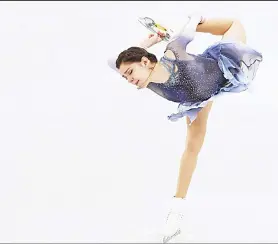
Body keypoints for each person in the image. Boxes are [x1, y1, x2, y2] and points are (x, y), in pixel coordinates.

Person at [107, 13, 263, 243]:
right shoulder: (145, 82)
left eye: (130, 73)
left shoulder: (173, 52)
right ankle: (176, 211)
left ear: (145, 62)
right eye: (125, 78)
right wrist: (145, 44)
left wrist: (194, 20)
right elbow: (112, 61)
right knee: (192, 148)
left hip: (224, 65)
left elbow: (187, 32)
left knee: (235, 24)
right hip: (198, 100)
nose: (130, 80)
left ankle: (195, 24)